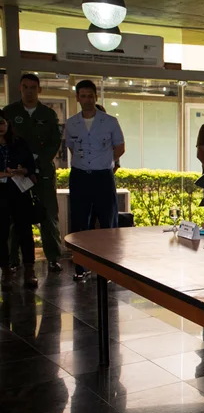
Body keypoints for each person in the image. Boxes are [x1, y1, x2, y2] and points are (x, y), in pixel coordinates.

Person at [65, 80, 126, 281]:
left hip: (103, 176)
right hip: (80, 175)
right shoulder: (71, 122)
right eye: (83, 96)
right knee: (80, 222)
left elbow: (120, 147)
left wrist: (105, 161)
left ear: (95, 97)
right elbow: (72, 147)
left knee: (108, 221)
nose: (87, 100)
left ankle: (108, 267)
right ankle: (81, 267)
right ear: (77, 98)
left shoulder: (109, 121)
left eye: (90, 96)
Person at [2, 74, 63, 273]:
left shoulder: (48, 114)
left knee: (48, 214)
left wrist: (36, 163)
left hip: (43, 171)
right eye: (25, 87)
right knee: (14, 218)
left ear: (39, 90)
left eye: (33, 87)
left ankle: (53, 258)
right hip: (15, 173)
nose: (29, 91)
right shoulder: (10, 112)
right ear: (20, 88)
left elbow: (55, 142)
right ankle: (13, 260)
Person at [0, 110, 38, 290]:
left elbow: (31, 166)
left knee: (24, 230)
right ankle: (6, 271)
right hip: (0, 192)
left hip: (18, 190)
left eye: (1, 123)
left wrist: (21, 170)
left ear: (7, 124)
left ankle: (29, 270)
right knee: (1, 234)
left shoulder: (19, 143)